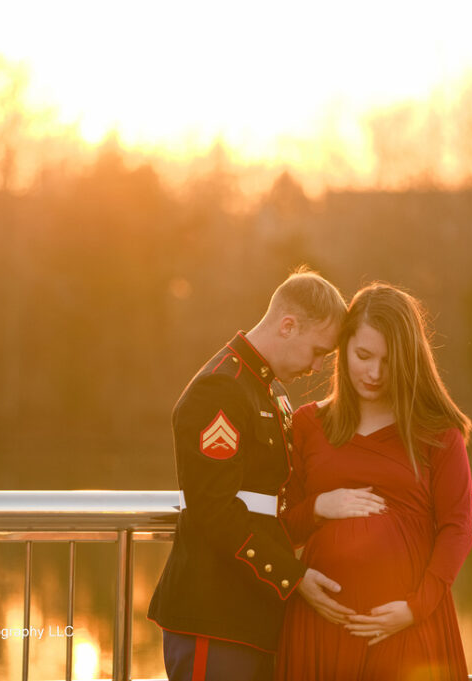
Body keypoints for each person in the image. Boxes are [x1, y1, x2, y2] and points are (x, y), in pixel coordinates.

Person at [149, 268, 352, 681]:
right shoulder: (221, 389)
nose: (317, 367)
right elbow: (213, 509)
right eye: (317, 352)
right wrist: (292, 577)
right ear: (288, 325)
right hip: (213, 614)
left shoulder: (268, 393)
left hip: (248, 613)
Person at [276, 283, 472, 681]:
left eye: (389, 360)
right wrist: (318, 508)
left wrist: (416, 608)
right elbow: (280, 528)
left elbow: (457, 527)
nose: (375, 373)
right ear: (343, 348)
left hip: (408, 629)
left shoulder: (437, 433)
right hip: (320, 627)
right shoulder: (308, 425)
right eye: (363, 355)